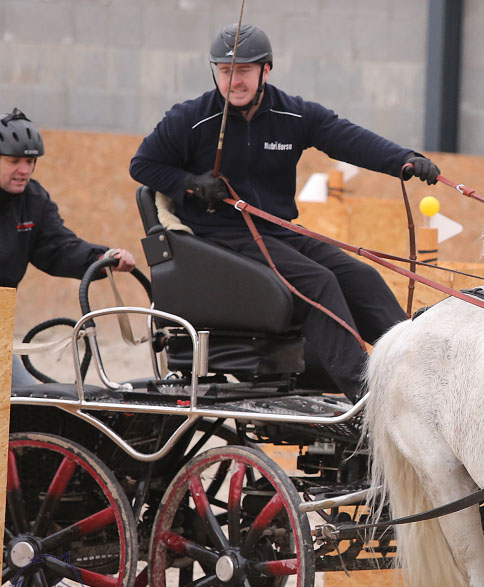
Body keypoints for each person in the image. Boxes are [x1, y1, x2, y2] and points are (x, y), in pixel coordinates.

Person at [129, 24, 441, 403]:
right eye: (225, 71)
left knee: (358, 274)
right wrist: (192, 183)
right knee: (318, 282)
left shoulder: (292, 114)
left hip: (276, 231)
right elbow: (143, 166)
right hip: (219, 236)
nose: (234, 81)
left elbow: (347, 138)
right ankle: (369, 398)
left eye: (244, 70)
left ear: (266, 70)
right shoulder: (189, 118)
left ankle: (419, 372)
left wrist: (405, 160)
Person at [1, 108, 136, 386]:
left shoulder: (34, 200)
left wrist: (102, 258)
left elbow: (58, 248)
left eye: (30, 161)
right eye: (14, 161)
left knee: (25, 406)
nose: (24, 170)